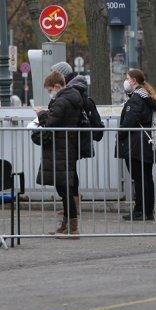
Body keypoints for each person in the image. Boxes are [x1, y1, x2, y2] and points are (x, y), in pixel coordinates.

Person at [50, 61, 104, 228]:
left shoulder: (71, 93)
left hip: (71, 140)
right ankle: (72, 208)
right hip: (75, 138)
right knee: (70, 172)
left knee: (68, 175)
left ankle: (72, 209)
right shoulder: (78, 91)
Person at [36, 71, 84, 239]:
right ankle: (66, 225)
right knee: (63, 187)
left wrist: (41, 114)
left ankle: (72, 227)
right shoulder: (71, 97)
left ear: (57, 86)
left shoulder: (62, 100)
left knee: (64, 188)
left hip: (61, 147)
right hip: (65, 146)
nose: (50, 93)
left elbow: (50, 123)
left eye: (50, 89)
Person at [117, 69, 156, 222]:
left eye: (127, 78)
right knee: (146, 178)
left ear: (134, 80)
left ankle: (140, 211)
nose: (126, 81)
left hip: (136, 145)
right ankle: (147, 211)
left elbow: (129, 123)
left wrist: (120, 135)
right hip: (146, 144)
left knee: (139, 179)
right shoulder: (147, 97)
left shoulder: (136, 99)